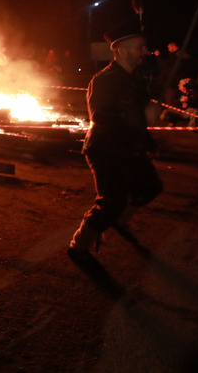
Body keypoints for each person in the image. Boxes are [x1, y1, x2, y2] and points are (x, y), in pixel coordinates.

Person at [68, 16, 163, 263]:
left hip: (130, 146)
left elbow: (139, 115)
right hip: (106, 147)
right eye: (139, 47)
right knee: (110, 201)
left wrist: (147, 140)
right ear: (121, 49)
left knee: (151, 187)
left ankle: (120, 221)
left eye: (144, 47)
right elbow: (99, 115)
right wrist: (130, 120)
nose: (145, 52)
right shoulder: (104, 80)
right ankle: (78, 246)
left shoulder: (135, 79)